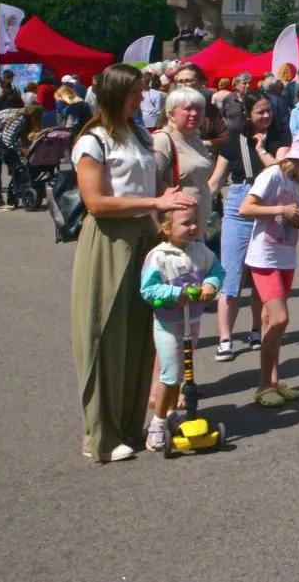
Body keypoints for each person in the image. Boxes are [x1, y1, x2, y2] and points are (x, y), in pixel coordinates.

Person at [71, 63, 193, 463]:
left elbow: (148, 186)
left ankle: (127, 426)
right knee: (106, 334)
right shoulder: (93, 140)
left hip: (144, 236)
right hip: (109, 241)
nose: (142, 99)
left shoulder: (138, 133)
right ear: (114, 94)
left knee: (141, 334)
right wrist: (154, 202)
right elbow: (96, 203)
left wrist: (167, 200)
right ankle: (101, 437)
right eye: (135, 93)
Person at [238, 128, 299, 407]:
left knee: (270, 322)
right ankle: (264, 384)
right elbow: (246, 208)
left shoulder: (295, 182)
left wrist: (296, 217)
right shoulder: (272, 175)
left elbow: (287, 213)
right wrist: (282, 211)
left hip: (285, 253)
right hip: (265, 256)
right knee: (279, 319)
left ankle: (272, 382)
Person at [139, 204, 223, 454]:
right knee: (171, 374)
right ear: (166, 228)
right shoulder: (159, 257)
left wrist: (211, 283)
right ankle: (158, 422)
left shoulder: (200, 250)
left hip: (192, 322)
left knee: (185, 371)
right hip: (168, 324)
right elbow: (148, 290)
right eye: (186, 223)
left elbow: (217, 271)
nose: (194, 227)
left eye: (196, 222)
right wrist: (178, 294)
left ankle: (173, 412)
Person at [213, 93, 283, 361]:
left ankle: (256, 329)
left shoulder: (279, 140)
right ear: (246, 115)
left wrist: (262, 149)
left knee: (260, 275)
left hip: (269, 208)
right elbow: (216, 181)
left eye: (269, 111)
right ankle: (225, 338)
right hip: (238, 206)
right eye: (260, 112)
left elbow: (281, 171)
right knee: (231, 275)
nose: (266, 116)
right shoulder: (233, 142)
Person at [151, 87, 217, 231]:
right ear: (171, 114)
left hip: (196, 225)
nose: (194, 113)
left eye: (199, 108)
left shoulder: (196, 140)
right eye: (188, 109)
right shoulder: (162, 140)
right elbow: (150, 183)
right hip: (174, 227)